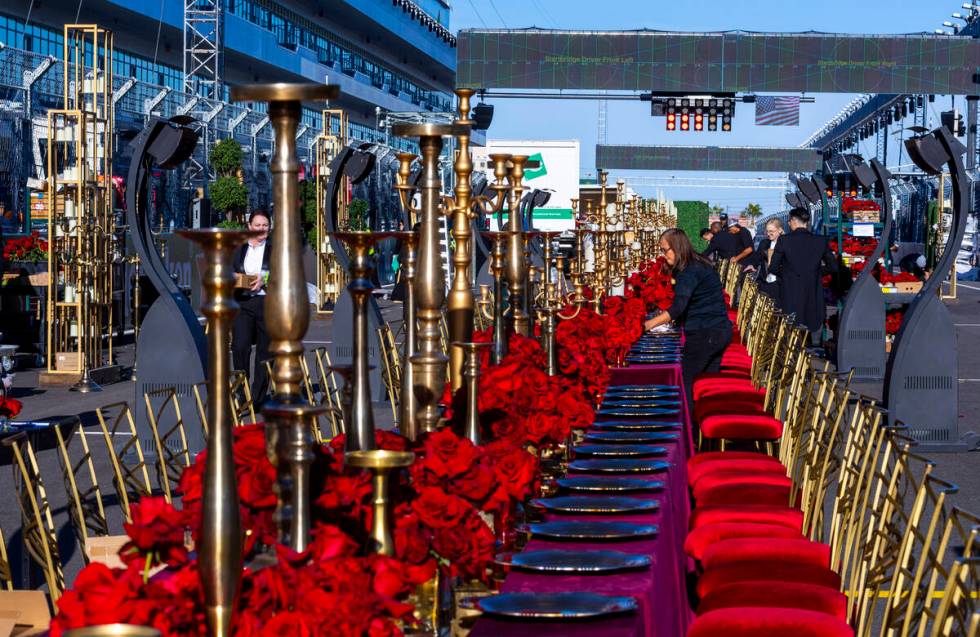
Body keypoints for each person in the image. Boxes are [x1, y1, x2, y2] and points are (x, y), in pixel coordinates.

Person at [644, 228, 732, 417]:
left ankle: (688, 432)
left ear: (676, 248)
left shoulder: (688, 271)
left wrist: (648, 325)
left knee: (685, 384)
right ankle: (704, 429)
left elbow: (678, 308)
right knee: (705, 386)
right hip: (719, 331)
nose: (663, 254)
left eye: (665, 250)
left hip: (706, 333)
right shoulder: (696, 263)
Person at [768, 208, 838, 341]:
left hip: (790, 292)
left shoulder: (784, 240)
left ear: (794, 221)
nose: (788, 224)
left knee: (790, 331)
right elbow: (833, 267)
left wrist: (788, 274)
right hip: (812, 292)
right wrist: (815, 273)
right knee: (809, 329)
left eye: (789, 221)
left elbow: (773, 267)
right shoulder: (820, 241)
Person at [232, 210, 272, 403]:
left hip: (267, 302)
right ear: (249, 226)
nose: (261, 229)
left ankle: (257, 397)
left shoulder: (276, 248)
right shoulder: (239, 248)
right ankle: (241, 392)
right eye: (257, 225)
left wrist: (264, 278)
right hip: (243, 302)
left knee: (265, 352)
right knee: (240, 347)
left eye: (265, 225)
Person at [751, 218, 785, 299]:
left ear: (779, 230)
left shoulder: (786, 244)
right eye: (767, 231)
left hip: (779, 283)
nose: (768, 234)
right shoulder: (764, 243)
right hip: (764, 282)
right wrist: (752, 265)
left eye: (771, 231)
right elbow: (757, 258)